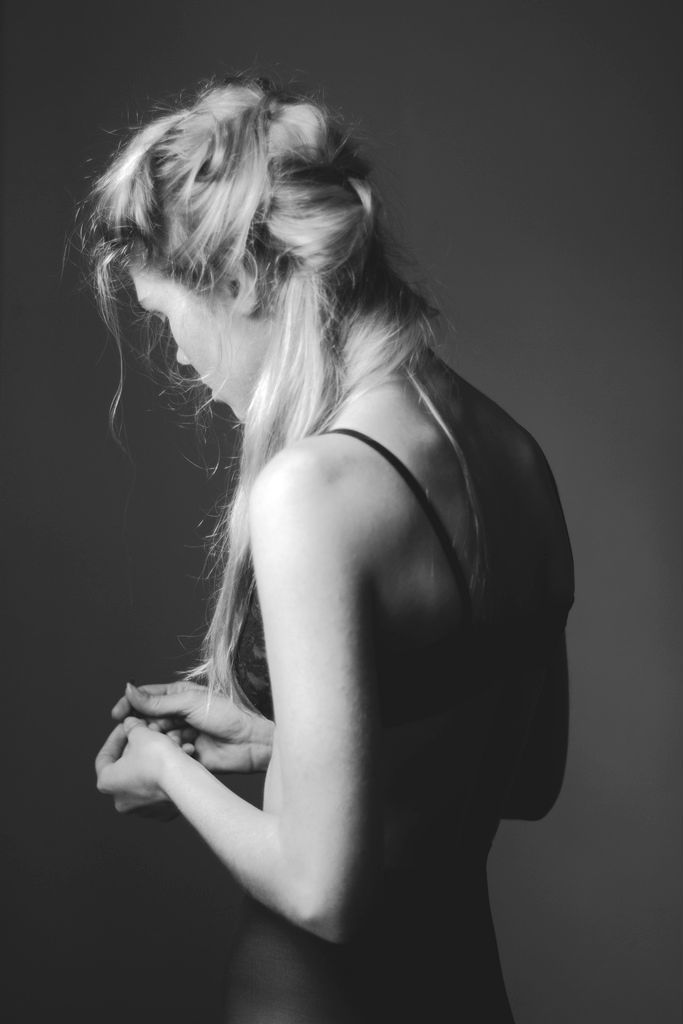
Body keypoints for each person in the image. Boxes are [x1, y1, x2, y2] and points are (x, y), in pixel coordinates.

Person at [89, 74, 574, 1023]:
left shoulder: (310, 490)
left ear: (238, 282)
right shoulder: (515, 453)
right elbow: (528, 779)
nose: (177, 355)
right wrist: (289, 745)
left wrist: (166, 767)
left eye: (164, 317)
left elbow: (323, 893)